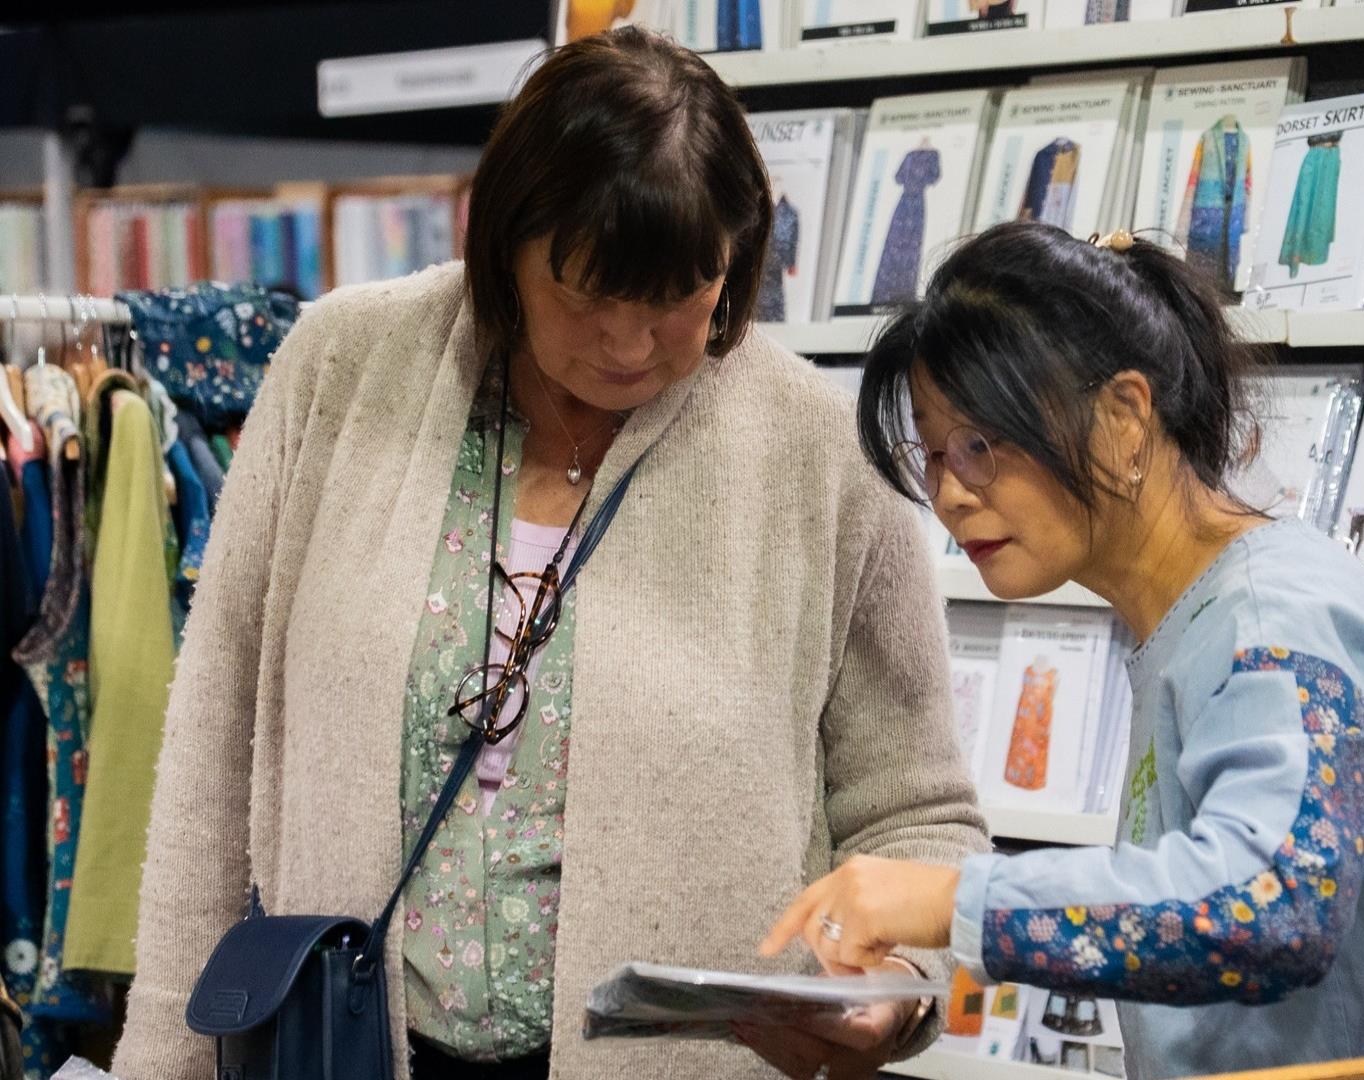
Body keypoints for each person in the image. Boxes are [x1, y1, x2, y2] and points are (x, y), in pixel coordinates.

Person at [112, 28, 987, 1080]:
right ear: (506, 245)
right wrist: (165, 1050)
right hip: (347, 1049)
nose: (626, 346)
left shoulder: (817, 455)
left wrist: (895, 999)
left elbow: (919, 814)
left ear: (737, 258)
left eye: (675, 300)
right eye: (583, 294)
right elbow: (215, 747)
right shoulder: (342, 373)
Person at [759, 223, 1364, 1080]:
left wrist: (949, 899)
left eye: (983, 444)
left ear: (1123, 418)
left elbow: (1273, 902)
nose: (951, 493)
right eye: (931, 453)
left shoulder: (1275, 616)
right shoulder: (1198, 621)